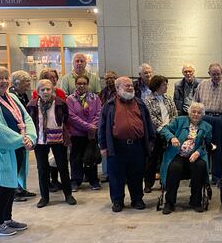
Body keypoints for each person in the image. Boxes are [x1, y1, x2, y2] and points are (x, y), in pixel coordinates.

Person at [0, 66, 36, 236]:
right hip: (1, 150)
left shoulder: (11, 97)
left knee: (11, 185)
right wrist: (21, 139)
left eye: (6, 78)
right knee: (4, 186)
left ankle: (7, 219)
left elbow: (26, 118)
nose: (3, 81)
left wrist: (30, 137)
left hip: (16, 148)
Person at [99, 76, 156, 212]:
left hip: (137, 146)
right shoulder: (109, 105)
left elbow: (148, 123)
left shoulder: (140, 103)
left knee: (136, 175)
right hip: (117, 146)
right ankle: (117, 201)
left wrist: (151, 141)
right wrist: (103, 146)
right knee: (116, 176)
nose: (130, 88)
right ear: (118, 88)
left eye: (131, 85)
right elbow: (102, 126)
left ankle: (137, 199)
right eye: (126, 86)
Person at [26, 80, 76, 208]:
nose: (46, 92)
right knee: (42, 169)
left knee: (63, 167)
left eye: (48, 89)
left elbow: (66, 119)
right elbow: (30, 122)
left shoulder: (60, 103)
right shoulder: (32, 105)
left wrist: (66, 134)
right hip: (41, 140)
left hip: (58, 138)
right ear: (38, 91)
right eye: (42, 90)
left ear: (52, 89)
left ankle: (68, 194)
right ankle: (44, 197)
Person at [160, 102, 212, 215]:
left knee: (200, 165)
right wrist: (172, 137)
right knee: (174, 167)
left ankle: (196, 201)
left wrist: (198, 151)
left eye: (199, 112)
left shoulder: (207, 127)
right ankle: (169, 202)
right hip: (178, 154)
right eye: (193, 112)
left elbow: (208, 144)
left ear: (202, 114)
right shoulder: (180, 120)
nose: (196, 114)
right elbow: (164, 130)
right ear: (189, 113)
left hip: (194, 155)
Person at [193, 63, 222, 183]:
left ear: (221, 73)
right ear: (209, 74)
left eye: (218, 74)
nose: (216, 76)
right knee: (202, 147)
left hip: (220, 119)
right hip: (205, 119)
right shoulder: (202, 85)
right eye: (214, 74)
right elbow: (195, 103)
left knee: (217, 148)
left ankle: (217, 177)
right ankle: (202, 176)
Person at [66, 75, 102, 191]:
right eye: (79, 83)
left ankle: (93, 180)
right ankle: (76, 181)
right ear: (75, 84)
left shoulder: (95, 98)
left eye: (84, 83)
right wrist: (88, 126)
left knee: (91, 157)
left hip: (91, 134)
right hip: (77, 134)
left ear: (88, 85)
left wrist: (93, 126)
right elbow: (71, 116)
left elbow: (99, 113)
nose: (82, 86)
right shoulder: (70, 99)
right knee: (76, 158)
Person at [144, 75, 178, 192]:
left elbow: (174, 115)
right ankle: (148, 183)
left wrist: (170, 128)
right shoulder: (147, 100)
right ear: (157, 86)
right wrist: (163, 128)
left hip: (169, 132)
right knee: (152, 159)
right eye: (164, 84)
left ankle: (165, 181)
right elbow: (151, 117)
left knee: (167, 158)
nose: (166, 87)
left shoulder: (168, 98)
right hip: (155, 133)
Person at [9, 70, 36, 201]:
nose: (29, 84)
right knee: (15, 163)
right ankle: (13, 192)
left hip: (23, 134)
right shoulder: (10, 95)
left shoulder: (23, 95)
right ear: (17, 83)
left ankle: (19, 188)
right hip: (14, 135)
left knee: (21, 163)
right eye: (26, 81)